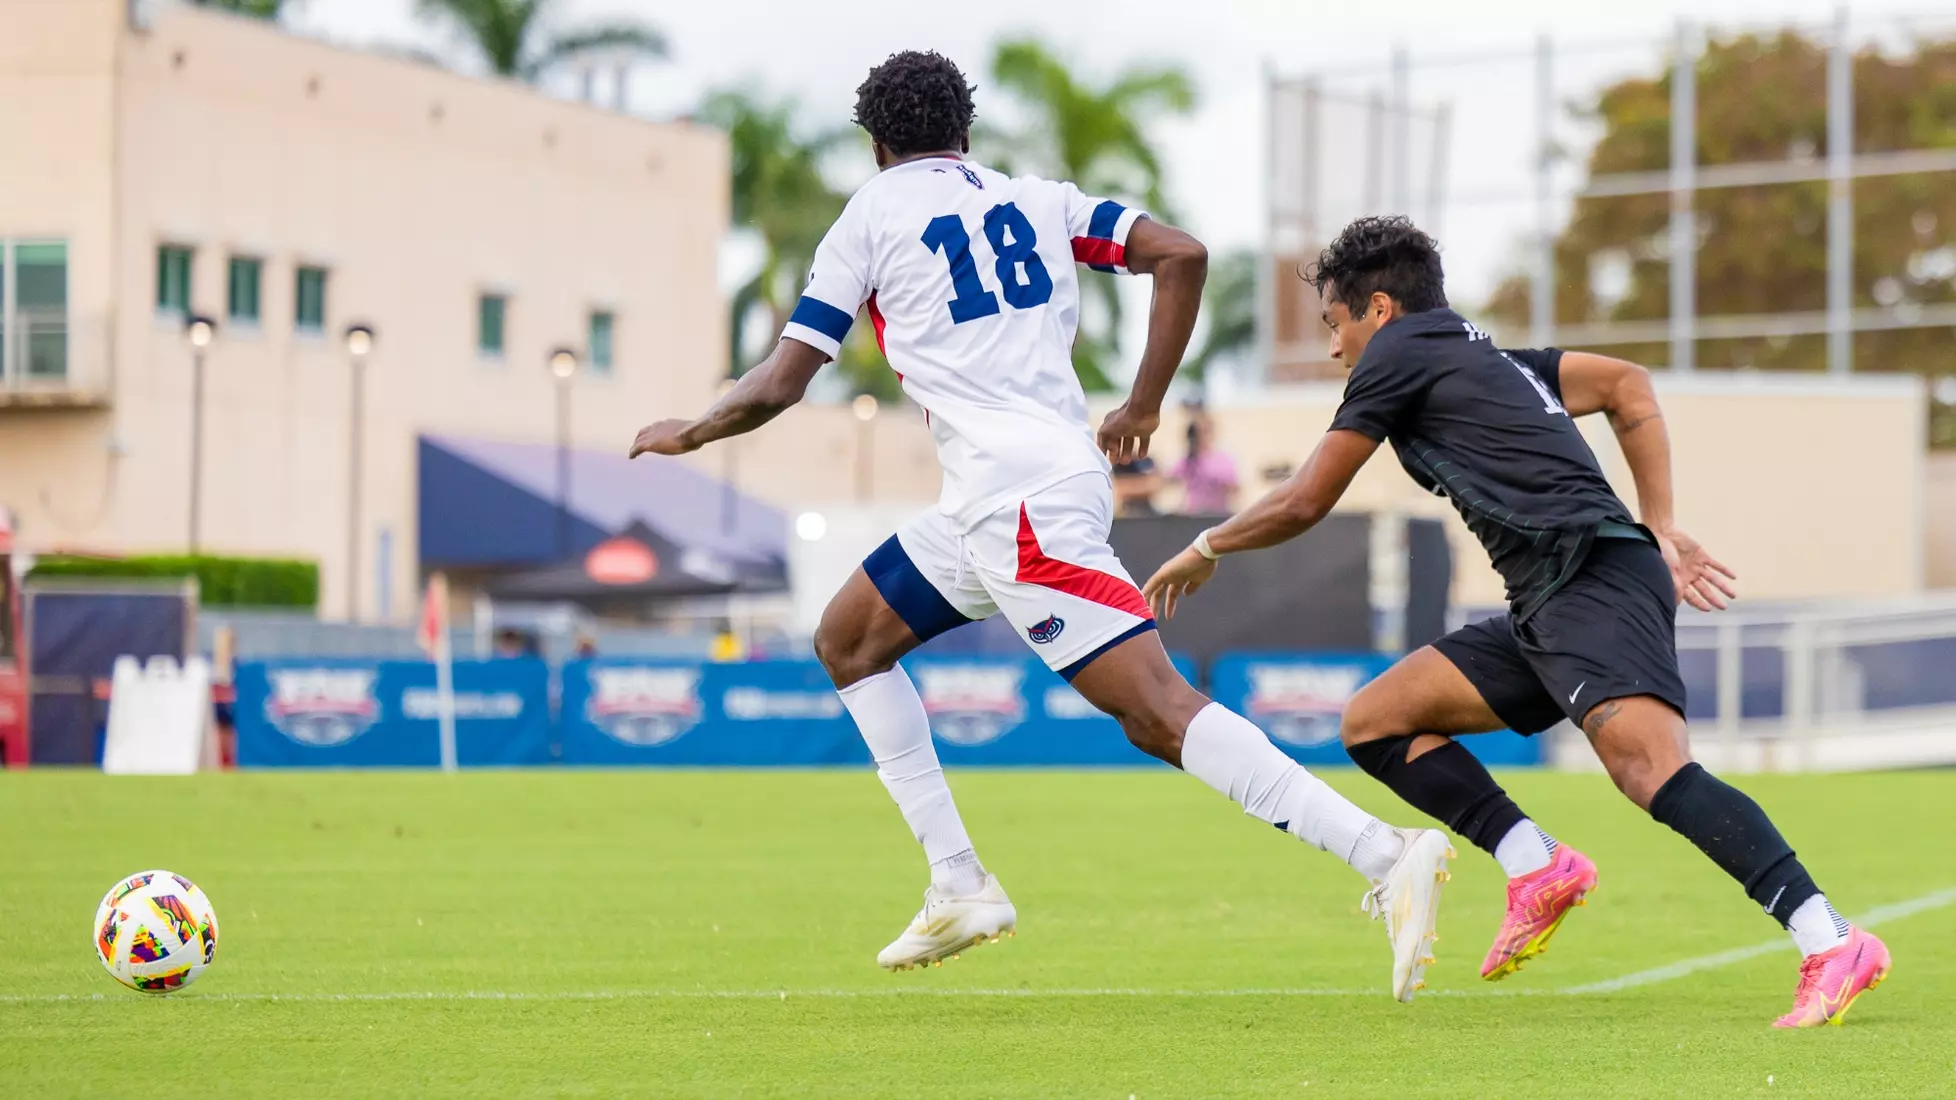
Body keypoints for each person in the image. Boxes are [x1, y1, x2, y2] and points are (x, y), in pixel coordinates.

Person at [630, 52, 1453, 999]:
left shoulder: (870, 214)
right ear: (965, 134)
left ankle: (1384, 853)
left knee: (1156, 711)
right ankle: (958, 881)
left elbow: (784, 378)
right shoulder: (1038, 198)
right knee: (849, 639)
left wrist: (691, 429)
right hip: (1006, 495)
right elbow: (1180, 253)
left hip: (1016, 506)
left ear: (876, 145)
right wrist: (1142, 405)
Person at [1142, 215, 1889, 1028]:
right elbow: (1627, 384)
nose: (1334, 348)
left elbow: (1307, 498)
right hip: (1548, 600)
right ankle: (1537, 864)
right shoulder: (1486, 357)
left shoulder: (1396, 357)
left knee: (1652, 773)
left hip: (1590, 578)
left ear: (1379, 310)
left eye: (1335, 323)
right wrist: (1662, 525)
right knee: (1377, 721)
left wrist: (1206, 544)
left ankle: (1832, 939)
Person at [1172, 407, 1239, 514]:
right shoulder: (1188, 460)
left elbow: (1235, 489)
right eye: (1198, 432)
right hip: (1193, 514)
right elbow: (1170, 479)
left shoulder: (1223, 460)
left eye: (1205, 431)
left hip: (1217, 514)